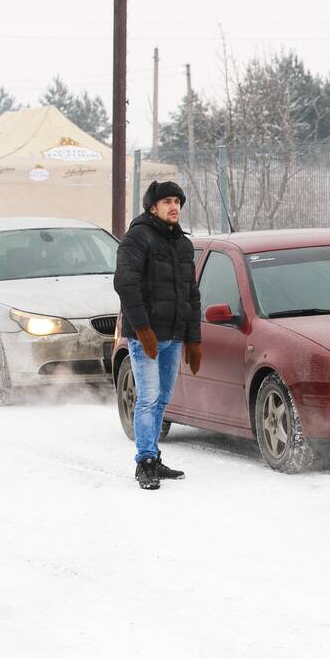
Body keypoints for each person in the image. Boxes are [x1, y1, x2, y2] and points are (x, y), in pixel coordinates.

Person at [114, 180, 202, 490]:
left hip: (174, 335)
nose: (174, 206)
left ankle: (154, 456)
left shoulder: (183, 245)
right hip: (146, 337)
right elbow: (125, 284)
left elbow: (191, 293)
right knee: (148, 399)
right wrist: (142, 329)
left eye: (177, 201)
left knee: (162, 398)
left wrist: (194, 338)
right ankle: (145, 463)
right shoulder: (138, 237)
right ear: (153, 207)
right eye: (166, 201)